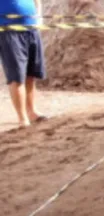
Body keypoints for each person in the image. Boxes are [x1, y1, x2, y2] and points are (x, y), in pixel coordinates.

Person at [0, 0, 47, 128]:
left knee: (30, 74)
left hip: (31, 28)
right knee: (17, 75)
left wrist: (39, 17)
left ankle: (31, 111)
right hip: (8, 30)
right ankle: (22, 118)